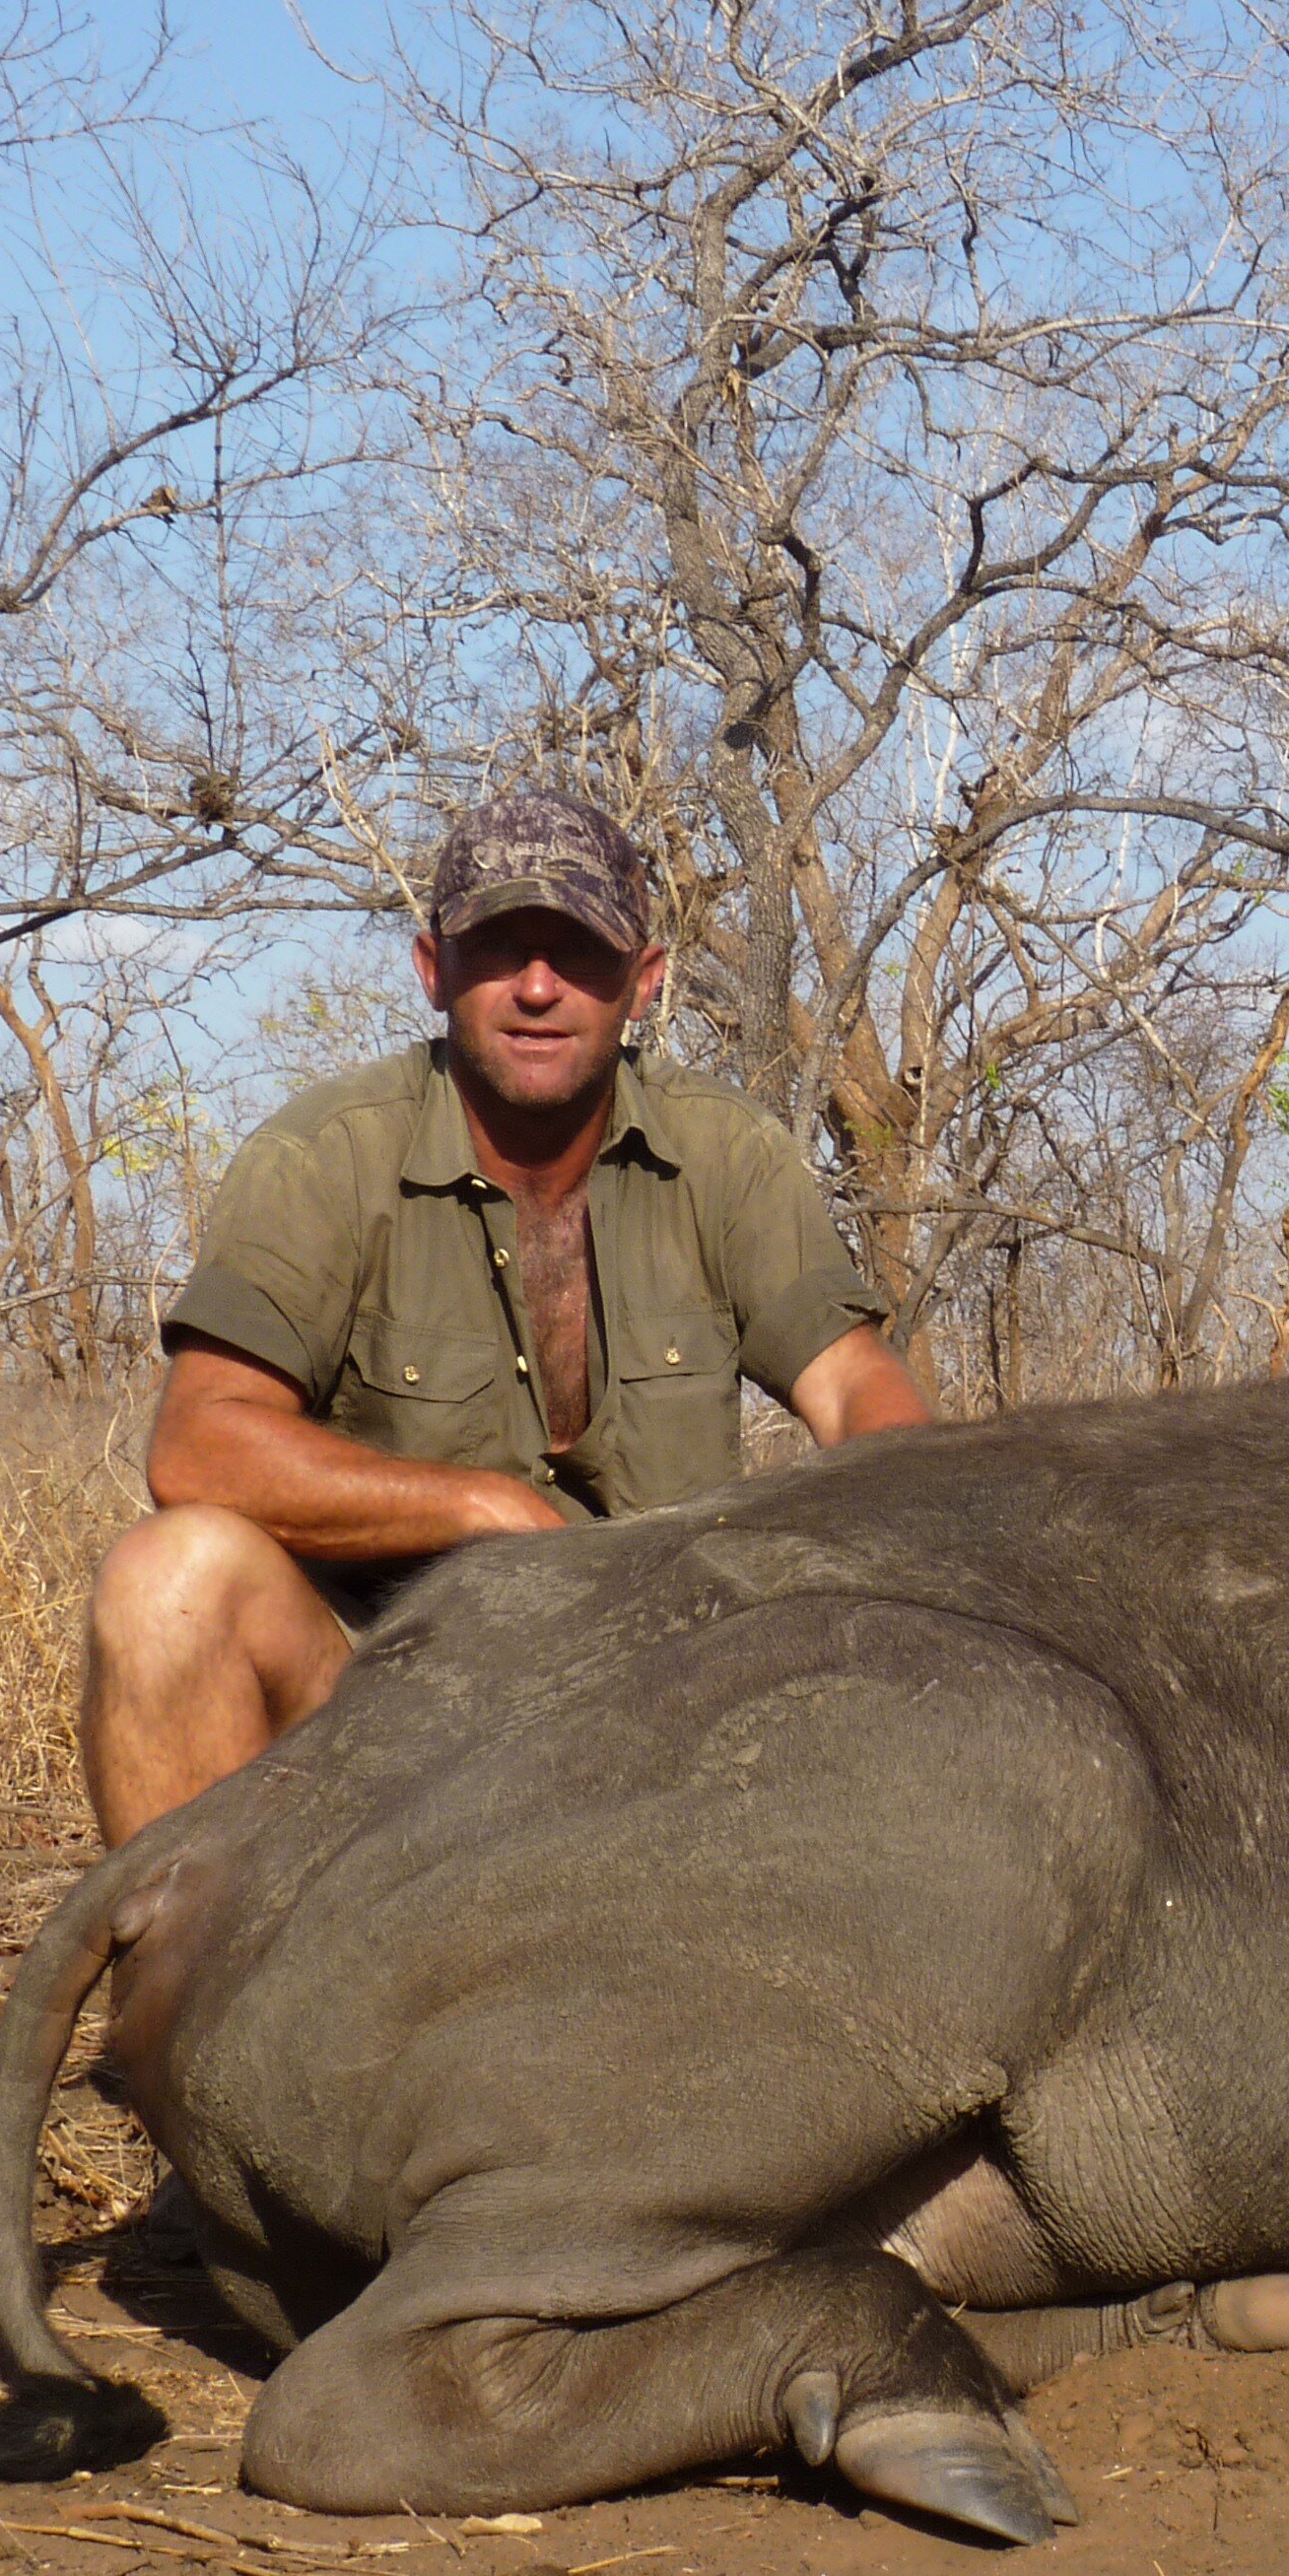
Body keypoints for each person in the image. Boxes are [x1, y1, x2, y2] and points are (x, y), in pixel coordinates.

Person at [82, 786, 930, 1844]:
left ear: (644, 981)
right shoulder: (325, 1154)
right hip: (388, 1702)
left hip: (667, 1690)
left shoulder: (731, 1153)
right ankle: (194, 2005)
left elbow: (853, 1385)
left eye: (577, 954)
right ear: (434, 971)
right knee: (167, 1584)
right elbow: (200, 1447)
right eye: (500, 950)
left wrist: (896, 1538)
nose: (538, 988)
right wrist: (482, 1509)